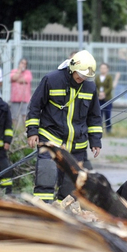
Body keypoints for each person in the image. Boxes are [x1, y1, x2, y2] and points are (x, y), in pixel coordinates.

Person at [25, 50, 103, 202]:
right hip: (50, 138)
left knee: (70, 188)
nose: (82, 79)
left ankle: (64, 214)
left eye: (86, 77)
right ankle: (43, 209)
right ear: (72, 68)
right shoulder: (51, 80)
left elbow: (94, 116)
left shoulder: (90, 87)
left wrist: (95, 141)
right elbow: (35, 106)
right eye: (80, 75)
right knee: (46, 175)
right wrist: (32, 132)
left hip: (76, 144)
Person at [9, 58, 32, 130]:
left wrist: (17, 80)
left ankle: (25, 132)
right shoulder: (13, 71)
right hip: (15, 98)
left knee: (25, 115)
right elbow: (14, 77)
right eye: (22, 63)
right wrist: (19, 71)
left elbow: (25, 80)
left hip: (24, 98)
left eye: (25, 64)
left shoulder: (28, 73)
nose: (23, 65)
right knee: (14, 116)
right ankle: (16, 131)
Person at [95, 63, 115, 134]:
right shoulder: (97, 77)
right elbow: (95, 86)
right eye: (101, 68)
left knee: (108, 114)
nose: (103, 69)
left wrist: (104, 93)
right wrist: (99, 93)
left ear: (107, 69)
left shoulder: (109, 77)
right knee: (99, 114)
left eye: (104, 68)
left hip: (107, 99)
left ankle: (108, 129)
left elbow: (110, 87)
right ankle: (99, 129)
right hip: (99, 99)